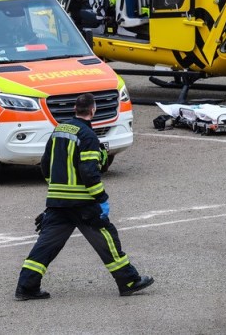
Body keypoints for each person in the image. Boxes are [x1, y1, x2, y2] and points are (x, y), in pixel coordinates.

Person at [15, 93, 154, 300]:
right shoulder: (88, 136)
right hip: (82, 202)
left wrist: (55, 189)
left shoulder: (59, 130)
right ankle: (129, 280)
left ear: (75, 109)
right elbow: (89, 172)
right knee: (107, 237)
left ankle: (26, 287)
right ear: (93, 110)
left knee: (46, 245)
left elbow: (45, 164)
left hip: (57, 202)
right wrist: (101, 198)